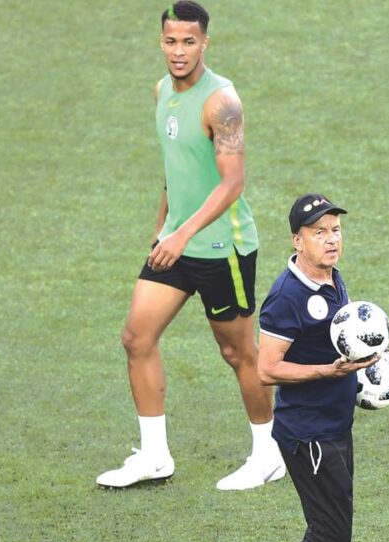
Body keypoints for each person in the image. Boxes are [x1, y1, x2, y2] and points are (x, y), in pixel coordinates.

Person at [97, 1, 284, 491]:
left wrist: (183, 234)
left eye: (188, 42)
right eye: (170, 41)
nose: (178, 51)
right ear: (161, 41)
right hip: (176, 245)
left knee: (238, 352)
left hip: (224, 247)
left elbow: (232, 183)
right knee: (137, 338)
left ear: (205, 43)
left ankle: (268, 454)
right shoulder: (162, 91)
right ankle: (155, 456)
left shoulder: (222, 103)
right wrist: (164, 227)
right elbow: (173, 168)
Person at [258, 194, 379, 542]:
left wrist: (376, 355)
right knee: (331, 535)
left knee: (332, 532)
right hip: (308, 434)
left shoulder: (331, 276)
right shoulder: (286, 297)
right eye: (319, 232)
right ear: (297, 241)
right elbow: (267, 369)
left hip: (336, 425)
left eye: (335, 230)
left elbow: (341, 336)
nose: (331, 240)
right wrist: (327, 371)